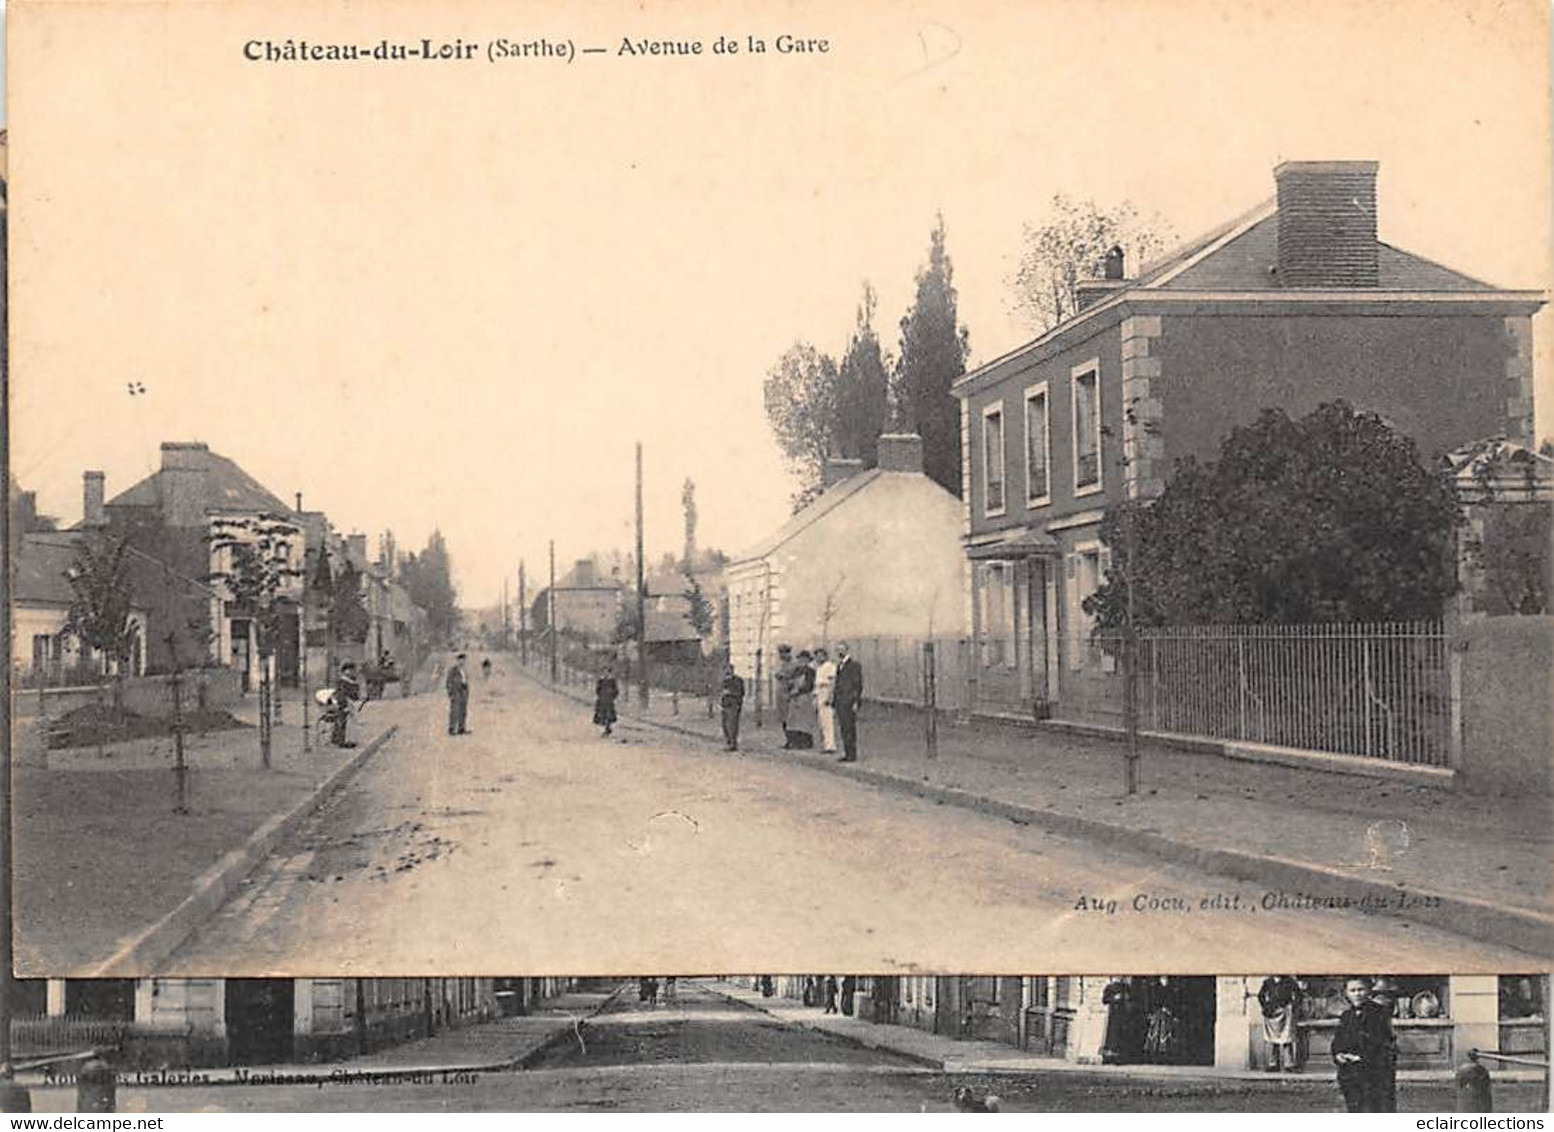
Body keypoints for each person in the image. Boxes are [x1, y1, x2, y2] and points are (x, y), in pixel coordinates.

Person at [1331, 977, 1397, 1112]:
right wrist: (1338, 1055)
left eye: (1361, 990)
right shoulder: (1346, 1015)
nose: (1357, 994)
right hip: (1351, 1074)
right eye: (1353, 990)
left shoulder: (1380, 1013)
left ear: (1369, 991)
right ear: (1346, 993)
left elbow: (1385, 1043)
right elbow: (1338, 1041)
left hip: (1375, 1075)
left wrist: (1362, 1058)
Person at [1258, 975, 1304, 1073]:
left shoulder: (1290, 981)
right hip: (1272, 1013)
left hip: (1286, 1012)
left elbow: (1299, 995)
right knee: (1273, 1039)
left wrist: (1293, 1007)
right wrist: (1265, 1007)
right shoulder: (1268, 982)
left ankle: (1289, 1064)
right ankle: (1273, 1063)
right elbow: (1260, 995)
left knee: (1287, 1038)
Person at [833, 642, 864, 762]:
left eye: (842, 650)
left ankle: (852, 754)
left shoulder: (854, 665)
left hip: (849, 701)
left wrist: (856, 701)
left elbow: (858, 685)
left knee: (849, 728)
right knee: (843, 728)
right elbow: (837, 685)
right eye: (838, 650)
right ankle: (847, 752)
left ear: (847, 650)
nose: (840, 652)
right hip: (841, 702)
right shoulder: (839, 666)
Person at [1100, 977, 1138, 1065]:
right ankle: (1109, 1057)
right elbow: (1104, 1000)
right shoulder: (1109, 987)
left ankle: (1121, 1058)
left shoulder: (1126, 987)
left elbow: (1131, 999)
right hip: (1113, 1014)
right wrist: (1114, 998)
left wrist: (1127, 1001)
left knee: (1122, 1036)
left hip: (1124, 1016)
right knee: (1112, 1035)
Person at [785, 651, 817, 749]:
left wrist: (798, 691)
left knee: (804, 721)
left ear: (808, 660)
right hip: (794, 697)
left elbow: (809, 685)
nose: (802, 661)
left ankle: (805, 743)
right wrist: (790, 687)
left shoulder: (811, 671)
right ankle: (793, 742)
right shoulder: (796, 670)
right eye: (800, 659)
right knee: (793, 720)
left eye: (804, 659)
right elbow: (789, 681)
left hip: (804, 697)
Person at [813, 648, 838, 753]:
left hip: (826, 691)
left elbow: (832, 682)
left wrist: (830, 696)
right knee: (822, 721)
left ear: (825, 656)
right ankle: (825, 744)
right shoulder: (819, 668)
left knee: (828, 720)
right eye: (817, 656)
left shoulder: (830, 666)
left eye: (821, 655)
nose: (819, 658)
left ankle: (830, 745)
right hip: (819, 692)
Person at [331, 662, 361, 748]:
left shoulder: (352, 681)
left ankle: (350, 739)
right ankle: (342, 740)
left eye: (353, 670)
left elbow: (355, 695)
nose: (352, 672)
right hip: (343, 704)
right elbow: (340, 694)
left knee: (351, 722)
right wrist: (343, 704)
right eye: (350, 670)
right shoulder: (342, 682)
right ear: (345, 671)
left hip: (351, 703)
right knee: (343, 721)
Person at [719, 663, 746, 751]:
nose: (727, 671)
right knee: (725, 725)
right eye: (725, 670)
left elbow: (741, 693)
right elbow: (721, 693)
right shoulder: (724, 681)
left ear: (732, 670)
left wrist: (730, 693)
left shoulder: (738, 680)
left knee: (732, 725)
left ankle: (733, 744)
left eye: (729, 669)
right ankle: (728, 742)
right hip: (725, 705)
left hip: (734, 705)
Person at [773, 645, 795, 748]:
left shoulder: (793, 664)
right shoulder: (780, 664)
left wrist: (784, 677)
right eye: (780, 653)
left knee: (789, 718)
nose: (782, 655)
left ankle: (792, 740)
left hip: (789, 694)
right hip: (780, 694)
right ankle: (787, 740)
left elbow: (795, 679)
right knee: (782, 718)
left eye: (784, 653)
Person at [446, 652, 471, 735]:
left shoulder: (464, 670)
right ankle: (452, 728)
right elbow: (448, 682)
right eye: (460, 660)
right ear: (457, 660)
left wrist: (467, 691)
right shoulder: (453, 670)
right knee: (455, 711)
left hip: (463, 692)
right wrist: (450, 693)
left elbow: (466, 681)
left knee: (463, 711)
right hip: (456, 692)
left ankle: (461, 728)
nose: (462, 662)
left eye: (464, 660)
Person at [594, 664, 619, 737]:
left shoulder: (612, 681)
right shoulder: (600, 680)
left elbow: (616, 691)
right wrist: (600, 696)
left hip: (609, 701)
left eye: (607, 672)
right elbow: (597, 690)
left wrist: (612, 696)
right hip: (602, 701)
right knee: (602, 716)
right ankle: (605, 729)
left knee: (609, 716)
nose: (605, 673)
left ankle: (607, 729)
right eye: (604, 672)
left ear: (609, 672)